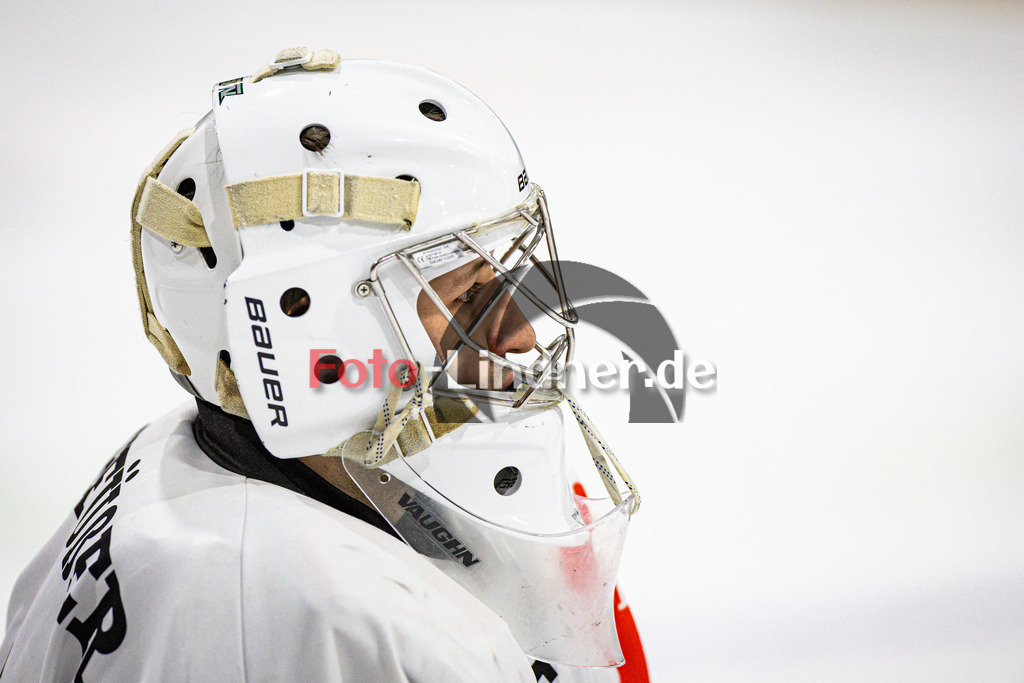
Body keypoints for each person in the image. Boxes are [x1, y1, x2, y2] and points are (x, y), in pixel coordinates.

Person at [0, 47, 648, 682]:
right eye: (466, 295)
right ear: (301, 322)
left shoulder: (168, 458)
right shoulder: (364, 627)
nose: (521, 335)